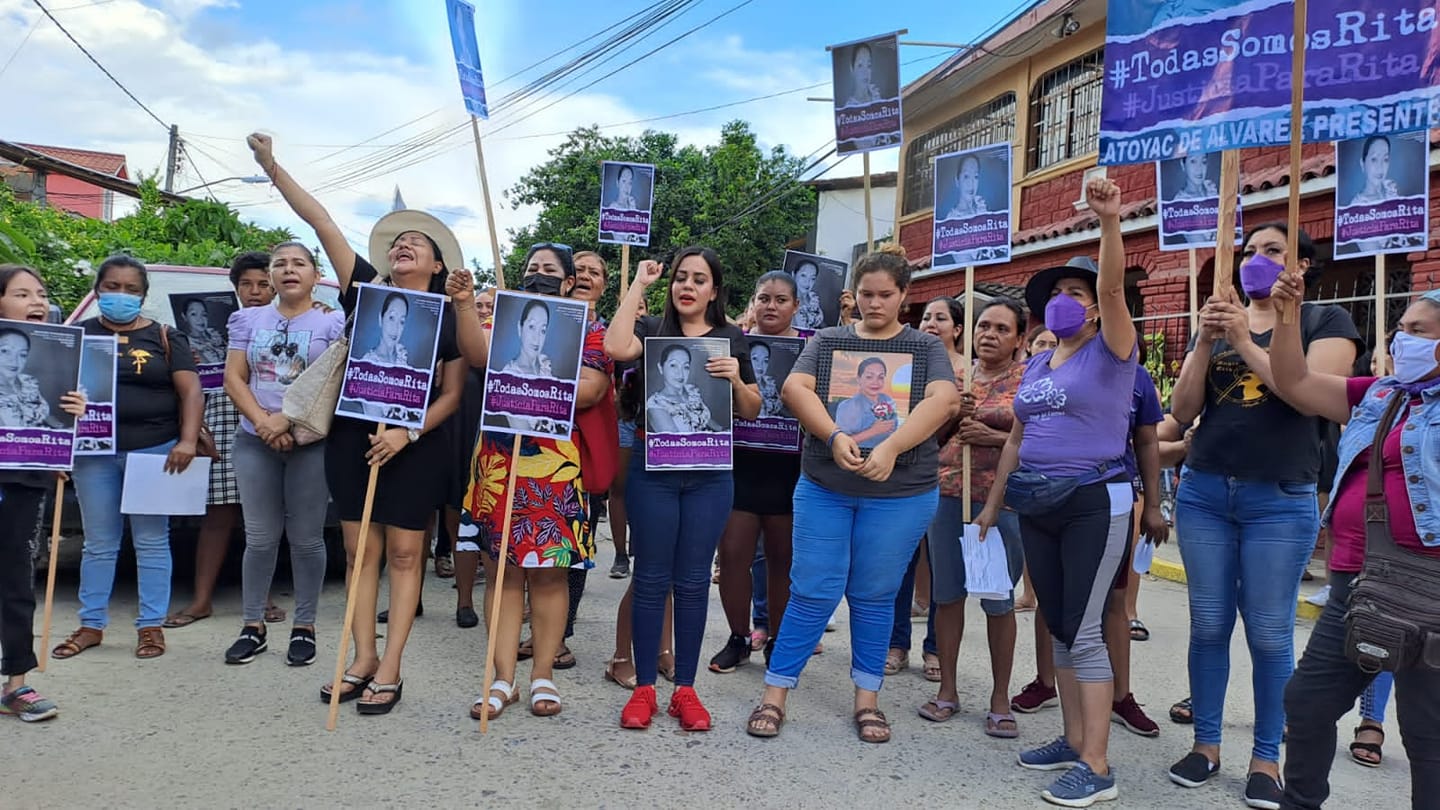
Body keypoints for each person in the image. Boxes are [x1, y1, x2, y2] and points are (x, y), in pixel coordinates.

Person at [248, 132, 466, 714]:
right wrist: (273, 167)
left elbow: (452, 393)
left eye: (418, 243)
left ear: (438, 264)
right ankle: (361, 657)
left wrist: (406, 433)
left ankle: (392, 666)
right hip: (352, 438)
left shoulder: (449, 316)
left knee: (403, 556)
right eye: (398, 241)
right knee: (359, 554)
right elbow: (321, 223)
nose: (404, 246)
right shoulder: (364, 291)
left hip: (415, 447)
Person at [1167, 222, 1360, 806]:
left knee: (1271, 632)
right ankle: (1205, 745)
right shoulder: (1220, 321)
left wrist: (1249, 340)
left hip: (1278, 498)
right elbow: (1182, 410)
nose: (1257, 260)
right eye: (1249, 251)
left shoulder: (1326, 324)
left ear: (1301, 264)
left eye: (1272, 252)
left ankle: (1267, 758)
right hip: (1205, 492)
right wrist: (1206, 340)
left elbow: (1303, 392)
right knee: (1207, 624)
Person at [745, 242, 961, 743]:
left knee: (874, 595)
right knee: (811, 590)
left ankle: (868, 698)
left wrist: (893, 447)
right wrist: (835, 435)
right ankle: (775, 692)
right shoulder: (828, 339)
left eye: (886, 294)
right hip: (826, 486)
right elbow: (797, 389)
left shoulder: (924, 348)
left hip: (902, 493)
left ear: (904, 295)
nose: (875, 303)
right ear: (854, 294)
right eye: (866, 293)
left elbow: (945, 400)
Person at [975, 177, 1137, 806]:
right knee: (1063, 626)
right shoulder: (1042, 362)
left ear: (1095, 305)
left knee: (1087, 628)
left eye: (1079, 292)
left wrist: (1110, 223)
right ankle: (1072, 741)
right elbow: (1016, 438)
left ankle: (1097, 766)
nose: (1068, 302)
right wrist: (993, 505)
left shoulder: (1113, 351)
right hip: (1035, 503)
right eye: (1059, 295)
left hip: (1095, 501)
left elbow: (1117, 285)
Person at [1266, 278, 1440, 810]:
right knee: (1308, 703)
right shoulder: (1381, 393)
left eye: (1418, 330)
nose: (1400, 339)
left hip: (1429, 591)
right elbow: (1292, 380)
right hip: (1355, 582)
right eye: (1399, 329)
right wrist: (1288, 315)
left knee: (1427, 734)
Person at [604, 246, 761, 731]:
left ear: (714, 290)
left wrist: (736, 380)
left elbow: (752, 409)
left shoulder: (731, 338)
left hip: (710, 478)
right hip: (655, 473)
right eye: (680, 278)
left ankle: (686, 690)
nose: (687, 286)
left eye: (698, 279)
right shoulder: (653, 332)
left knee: (693, 582)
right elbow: (613, 346)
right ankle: (646, 689)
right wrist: (638, 286)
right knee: (651, 579)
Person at [453, 243, 612, 720]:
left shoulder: (590, 331)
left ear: (568, 282)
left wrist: (539, 381)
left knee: (548, 573)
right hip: (499, 464)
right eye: (531, 269)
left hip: (554, 467)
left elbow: (593, 389)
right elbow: (476, 356)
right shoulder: (498, 323)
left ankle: (542, 672)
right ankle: (502, 678)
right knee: (501, 574)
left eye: (550, 270)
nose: (539, 275)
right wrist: (464, 302)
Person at [52, 256, 204, 662]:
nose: (120, 295)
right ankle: (91, 625)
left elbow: (191, 392)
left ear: (144, 295)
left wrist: (187, 440)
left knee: (152, 541)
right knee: (99, 543)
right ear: (98, 290)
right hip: (93, 453)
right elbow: (53, 392)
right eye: (112, 287)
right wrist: (57, 445)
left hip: (156, 451)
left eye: (131, 289)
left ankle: (151, 627)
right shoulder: (76, 336)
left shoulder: (167, 338)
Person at [219, 242, 346, 667]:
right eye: (280, 265)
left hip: (310, 443)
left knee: (308, 538)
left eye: (299, 264)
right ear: (270, 275)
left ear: (315, 274)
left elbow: (331, 384)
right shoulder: (247, 319)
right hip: (256, 440)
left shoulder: (333, 322)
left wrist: (288, 424)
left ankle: (304, 627)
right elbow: (234, 378)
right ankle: (252, 626)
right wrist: (264, 423)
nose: (289, 270)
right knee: (259, 537)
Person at [919, 295, 1027, 736]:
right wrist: (951, 418)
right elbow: (927, 436)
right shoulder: (954, 378)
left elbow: (1041, 443)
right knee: (947, 596)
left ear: (1020, 338)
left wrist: (993, 436)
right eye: (984, 325)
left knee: (998, 600)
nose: (990, 335)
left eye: (1002, 329)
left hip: (1001, 503)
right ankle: (947, 689)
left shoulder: (1031, 381)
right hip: (947, 495)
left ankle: (1000, 698)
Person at [166, 251, 283, 630]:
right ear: (235, 288)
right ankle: (202, 599)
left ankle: (261, 597)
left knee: (260, 518)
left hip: (264, 423)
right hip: (217, 422)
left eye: (263, 284)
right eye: (246, 284)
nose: (255, 291)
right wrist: (194, 427)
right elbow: (191, 385)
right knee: (217, 515)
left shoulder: (287, 326)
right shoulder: (222, 327)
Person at [710, 271, 807, 673]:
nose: (772, 306)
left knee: (782, 560)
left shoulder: (812, 348)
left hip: (789, 466)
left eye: (781, 300)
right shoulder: (731, 345)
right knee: (733, 556)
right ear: (754, 301)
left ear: (795, 306)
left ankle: (778, 641)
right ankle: (738, 637)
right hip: (739, 462)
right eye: (764, 297)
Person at [0, 265, 84, 721]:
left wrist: (70, 416)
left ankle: (17, 685)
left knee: (16, 581)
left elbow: (49, 426)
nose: (35, 301)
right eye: (20, 294)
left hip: (26, 484)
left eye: (40, 293)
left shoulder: (36, 381)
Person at [646, 344, 722, 433]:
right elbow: (673, 443)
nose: (680, 373)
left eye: (685, 367)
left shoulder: (691, 391)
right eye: (673, 365)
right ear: (661, 368)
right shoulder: (655, 404)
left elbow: (704, 419)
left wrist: (724, 431)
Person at [0, 328, 64, 428]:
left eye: (22, 355)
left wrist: (64, 429)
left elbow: (42, 414)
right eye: (5, 351)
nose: (14, 361)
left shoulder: (28, 382)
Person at [832, 356, 900, 449]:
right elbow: (840, 442)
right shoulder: (849, 406)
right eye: (869, 377)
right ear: (859, 379)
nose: (875, 382)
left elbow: (894, 429)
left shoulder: (887, 400)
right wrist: (873, 431)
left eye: (880, 377)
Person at [179, 298, 227, 365]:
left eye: (204, 314)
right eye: (193, 314)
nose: (200, 319)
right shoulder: (187, 342)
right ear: (184, 317)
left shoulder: (215, 334)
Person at [792, 260, 825, 332]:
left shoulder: (814, 300)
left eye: (812, 278)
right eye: (803, 275)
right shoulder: (783, 300)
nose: (807, 282)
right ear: (793, 275)